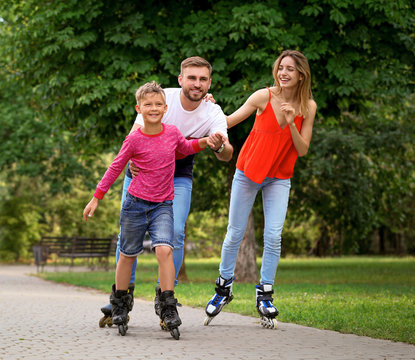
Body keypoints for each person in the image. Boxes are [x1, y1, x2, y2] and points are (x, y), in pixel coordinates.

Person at [83, 81, 224, 338]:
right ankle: (120, 303)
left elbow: (187, 148)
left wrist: (207, 141)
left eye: (158, 104)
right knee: (127, 253)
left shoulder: (172, 133)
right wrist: (96, 197)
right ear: (139, 108)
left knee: (165, 249)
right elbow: (116, 167)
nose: (153, 108)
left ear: (165, 108)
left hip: (162, 205)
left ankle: (168, 305)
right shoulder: (133, 139)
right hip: (135, 204)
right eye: (148, 104)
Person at [204, 50, 317, 329]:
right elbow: (228, 121)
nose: (283, 73)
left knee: (274, 236)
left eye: (290, 69)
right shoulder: (263, 96)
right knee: (234, 233)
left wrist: (292, 121)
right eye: (281, 67)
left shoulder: (308, 106)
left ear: (301, 74)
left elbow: (302, 150)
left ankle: (264, 294)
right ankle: (223, 288)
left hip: (279, 176)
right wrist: (210, 107)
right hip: (248, 172)